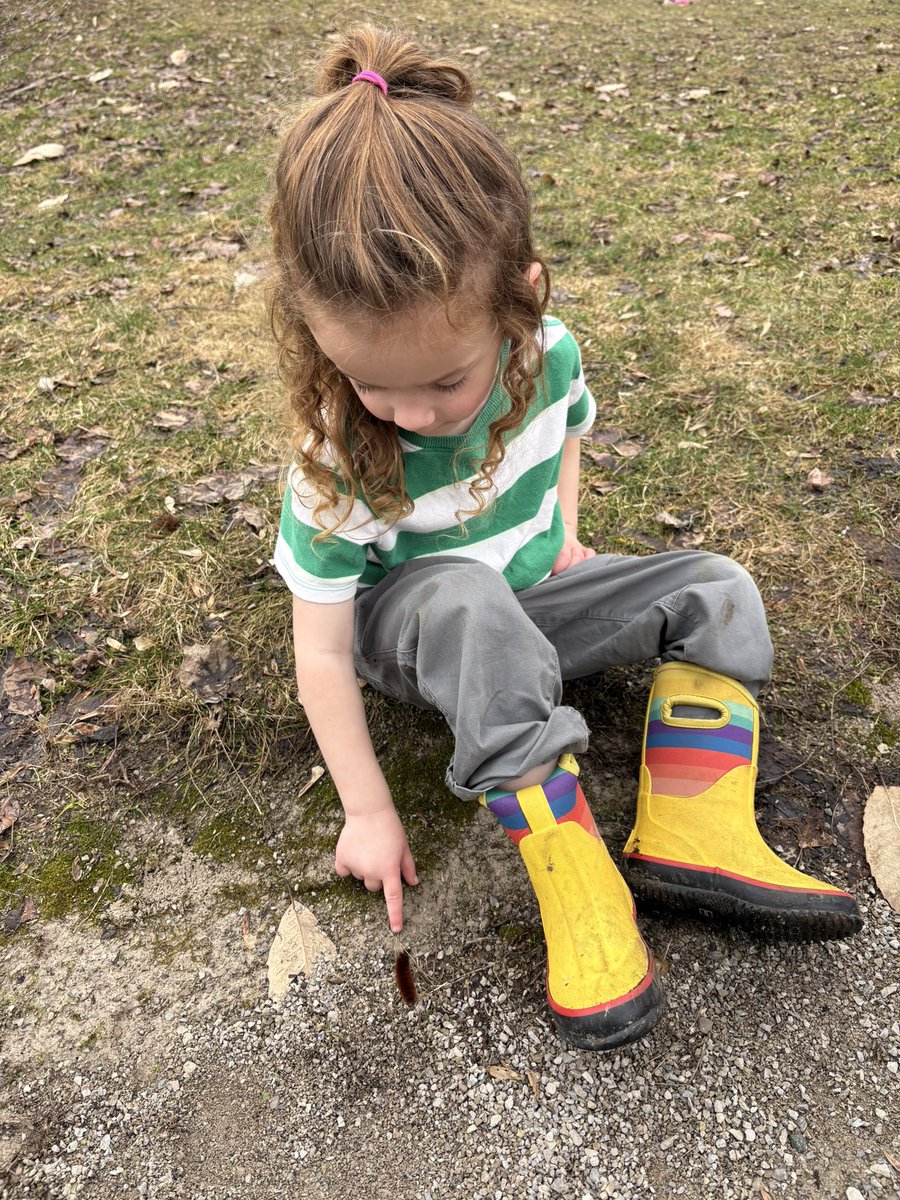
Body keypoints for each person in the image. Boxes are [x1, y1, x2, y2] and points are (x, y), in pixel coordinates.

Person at [268, 25, 862, 1052]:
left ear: (524, 302)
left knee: (715, 586)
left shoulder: (551, 357)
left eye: (446, 381)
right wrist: (367, 812)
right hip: (428, 637)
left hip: (530, 599)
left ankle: (694, 830)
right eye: (373, 383)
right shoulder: (335, 457)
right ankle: (575, 877)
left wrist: (567, 541)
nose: (409, 415)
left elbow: (568, 442)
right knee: (465, 598)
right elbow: (321, 650)